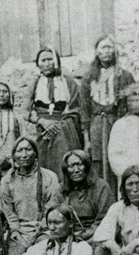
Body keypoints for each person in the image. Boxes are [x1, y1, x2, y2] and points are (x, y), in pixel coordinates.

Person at [80, 35, 135, 193]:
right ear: (97, 52)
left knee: (119, 159)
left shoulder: (124, 76)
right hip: (97, 124)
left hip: (117, 123)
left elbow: (131, 103)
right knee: (98, 161)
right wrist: (87, 140)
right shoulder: (89, 77)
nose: (106, 51)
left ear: (115, 51)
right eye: (103, 47)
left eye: (109, 47)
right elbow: (84, 110)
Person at [26, 47, 82, 180]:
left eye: (50, 59)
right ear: (38, 63)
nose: (47, 63)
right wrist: (43, 122)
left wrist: (60, 124)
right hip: (43, 132)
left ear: (56, 61)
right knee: (46, 169)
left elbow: (76, 107)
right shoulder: (35, 84)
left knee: (66, 164)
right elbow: (25, 111)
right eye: (43, 60)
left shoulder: (67, 81)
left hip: (65, 131)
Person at [0, 137, 61, 249]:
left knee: (43, 250)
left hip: (43, 230)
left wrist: (39, 230)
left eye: (28, 149)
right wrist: (15, 232)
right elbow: (8, 211)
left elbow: (51, 207)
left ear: (36, 154)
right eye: (20, 150)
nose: (24, 155)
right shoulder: (7, 181)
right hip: (17, 231)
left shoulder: (50, 177)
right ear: (14, 156)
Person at [60, 150, 115, 241]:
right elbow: (55, 215)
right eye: (71, 166)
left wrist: (89, 233)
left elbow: (107, 217)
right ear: (66, 170)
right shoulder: (62, 190)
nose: (76, 170)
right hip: (70, 234)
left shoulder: (101, 187)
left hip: (96, 233)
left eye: (80, 164)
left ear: (87, 166)